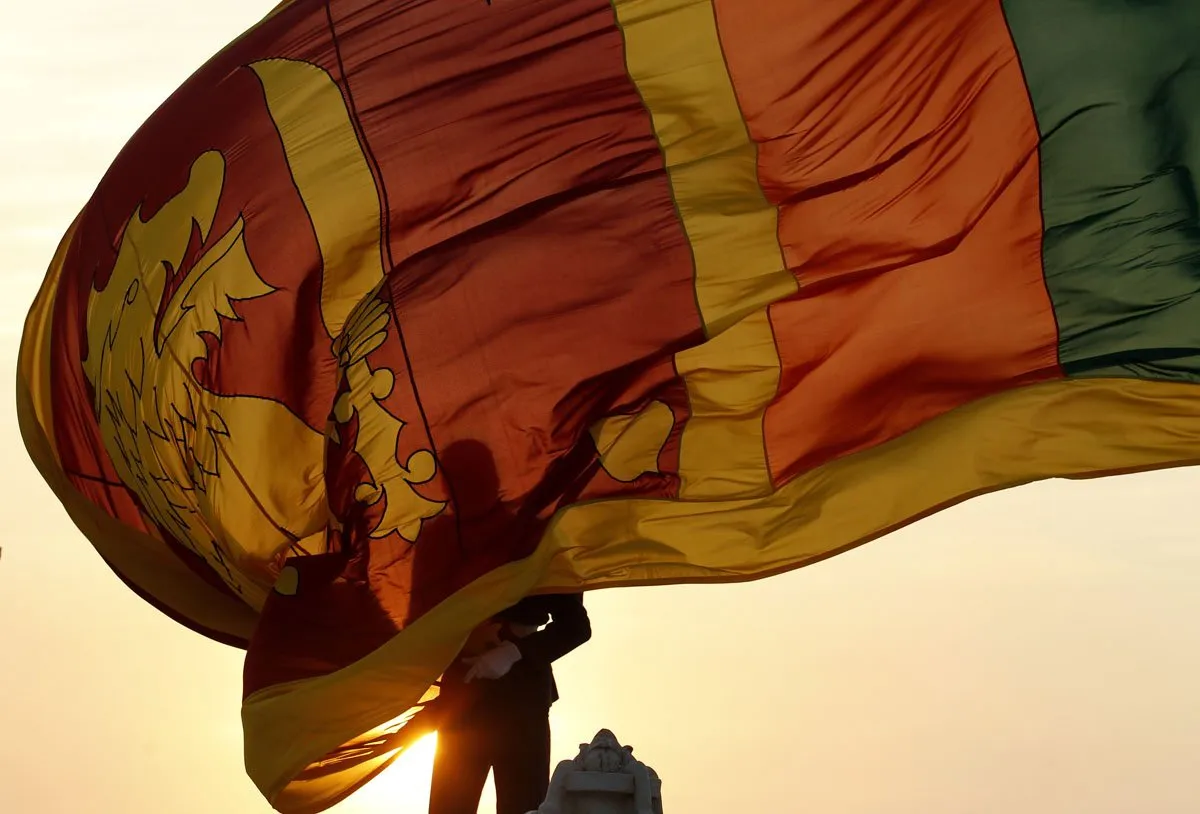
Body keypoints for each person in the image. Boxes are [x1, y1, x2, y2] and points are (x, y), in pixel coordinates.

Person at [428, 592, 591, 814]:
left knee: (524, 809)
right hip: (461, 697)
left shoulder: (548, 557)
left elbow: (575, 626)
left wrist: (515, 652)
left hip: (522, 702)